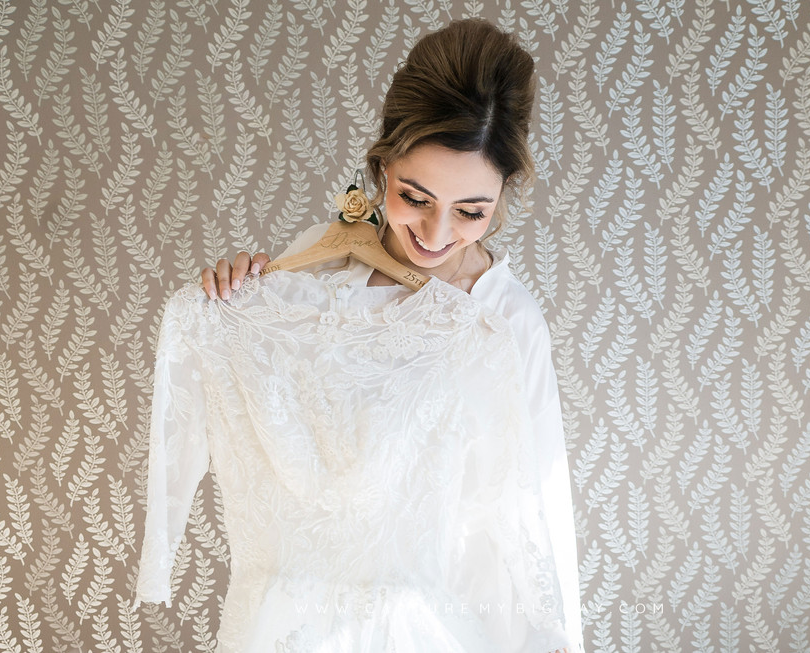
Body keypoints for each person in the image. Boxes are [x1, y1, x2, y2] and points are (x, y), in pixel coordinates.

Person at [193, 18, 582, 652]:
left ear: (503, 194)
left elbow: (531, 516)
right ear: (381, 168)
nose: (434, 232)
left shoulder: (506, 323)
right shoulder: (316, 272)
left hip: (440, 627)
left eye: (471, 211)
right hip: (305, 624)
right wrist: (235, 302)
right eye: (415, 196)